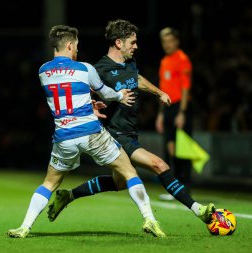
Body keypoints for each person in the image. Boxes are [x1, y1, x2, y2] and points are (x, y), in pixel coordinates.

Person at [48, 20, 215, 226]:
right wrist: (90, 107)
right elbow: (81, 93)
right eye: (132, 42)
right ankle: (199, 211)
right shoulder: (100, 69)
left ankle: (69, 196)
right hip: (114, 133)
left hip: (130, 131)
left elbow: (136, 79)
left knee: (119, 183)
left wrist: (159, 92)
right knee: (159, 164)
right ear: (119, 43)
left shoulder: (129, 63)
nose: (136, 46)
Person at [7, 25, 166, 238]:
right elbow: (106, 93)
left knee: (50, 183)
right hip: (91, 132)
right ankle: (150, 219)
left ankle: (24, 227)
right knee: (129, 172)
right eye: (76, 47)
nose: (77, 51)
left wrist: (87, 102)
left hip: (63, 137)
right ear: (70, 45)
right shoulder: (84, 68)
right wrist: (120, 96)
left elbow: (67, 94)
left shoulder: (43, 71)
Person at [155, 27, 193, 201]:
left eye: (170, 41)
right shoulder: (164, 61)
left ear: (176, 41)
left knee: (182, 150)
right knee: (169, 149)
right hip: (168, 108)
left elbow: (185, 87)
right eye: (164, 41)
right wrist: (161, 114)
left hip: (180, 107)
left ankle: (184, 187)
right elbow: (163, 90)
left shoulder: (183, 60)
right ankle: (174, 188)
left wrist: (182, 112)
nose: (167, 44)